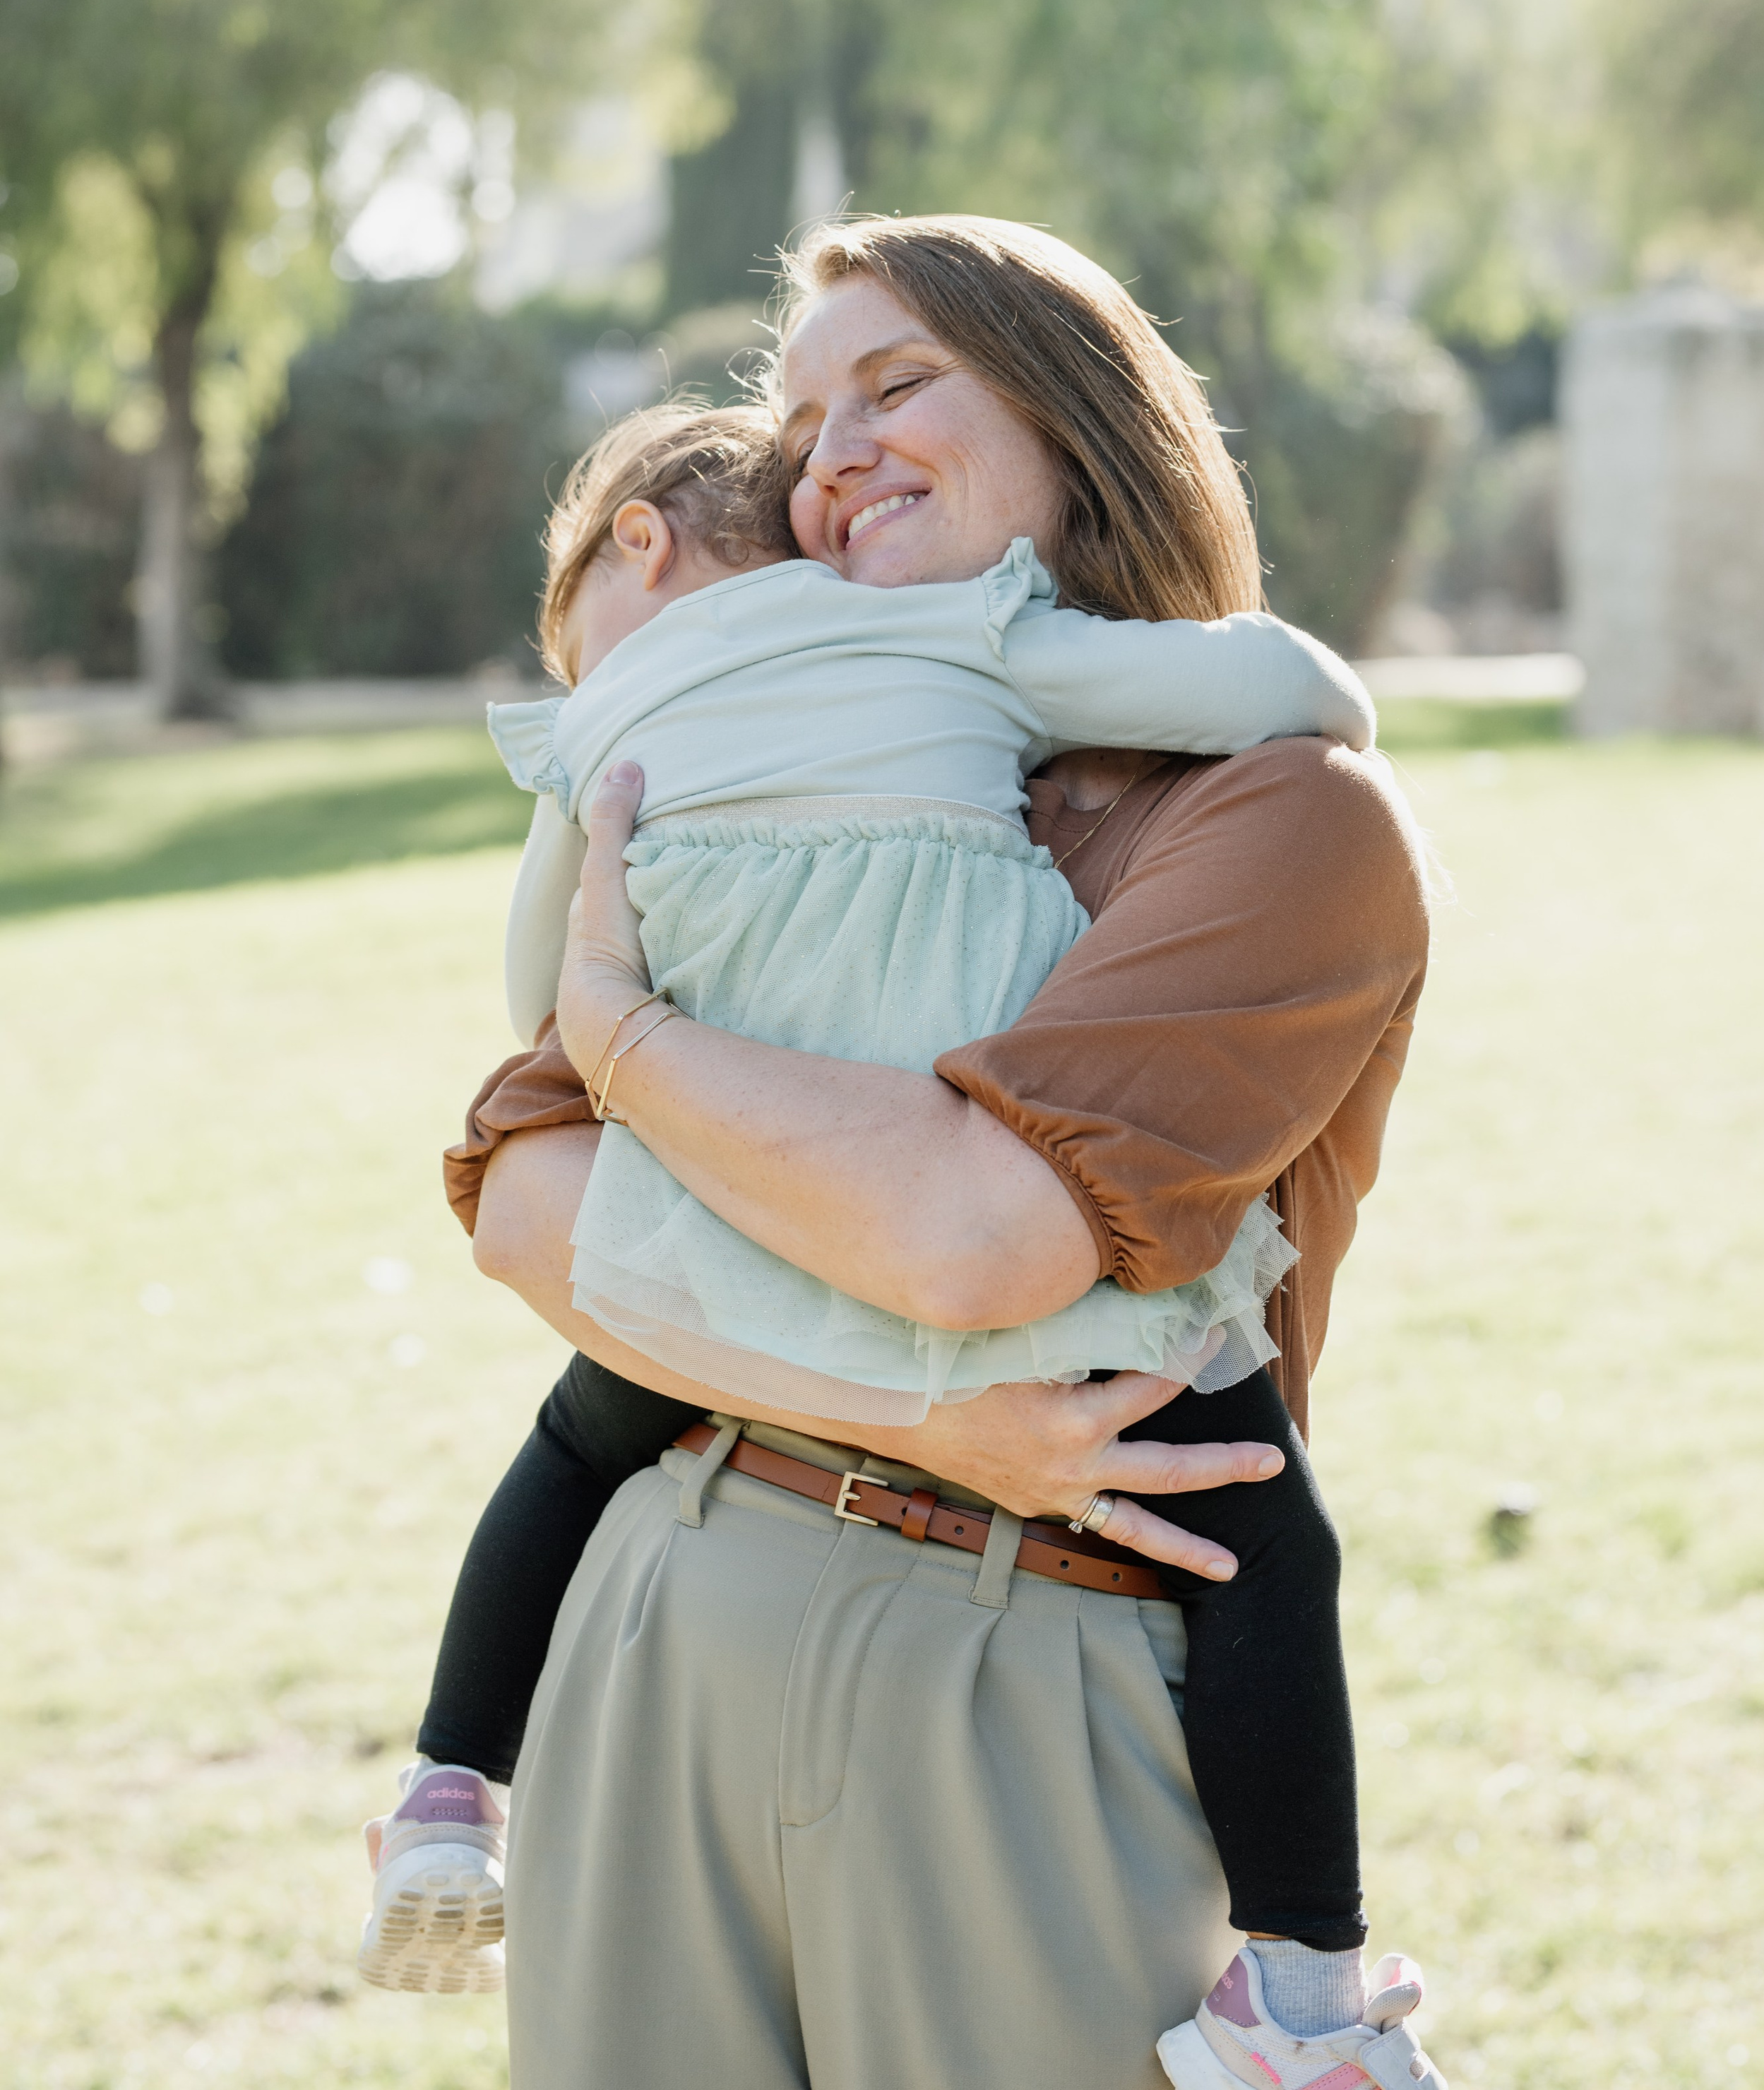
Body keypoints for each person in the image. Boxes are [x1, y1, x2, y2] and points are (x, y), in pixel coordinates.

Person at [425, 220, 1437, 2090]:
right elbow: (524, 1200)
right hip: (657, 1616)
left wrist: (645, 1046)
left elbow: (975, 1243)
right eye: (805, 417)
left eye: (898, 385)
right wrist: (907, 1411)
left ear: (1079, 421)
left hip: (1017, 1673)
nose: (833, 450)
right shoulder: (761, 777)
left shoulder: (1279, 819)